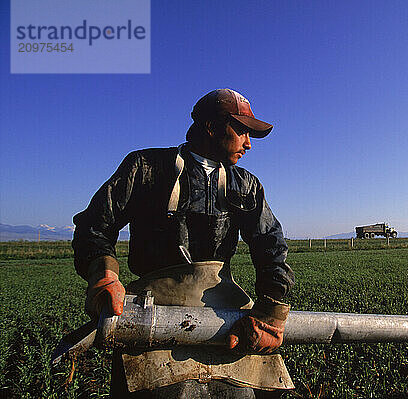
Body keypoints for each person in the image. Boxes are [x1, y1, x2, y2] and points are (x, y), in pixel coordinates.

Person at [72, 88, 295, 398]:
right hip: (151, 310)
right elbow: (94, 227)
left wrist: (271, 311)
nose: (248, 143)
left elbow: (271, 246)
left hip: (224, 310)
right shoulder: (145, 167)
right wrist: (104, 275)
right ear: (213, 127)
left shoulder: (246, 185)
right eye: (242, 130)